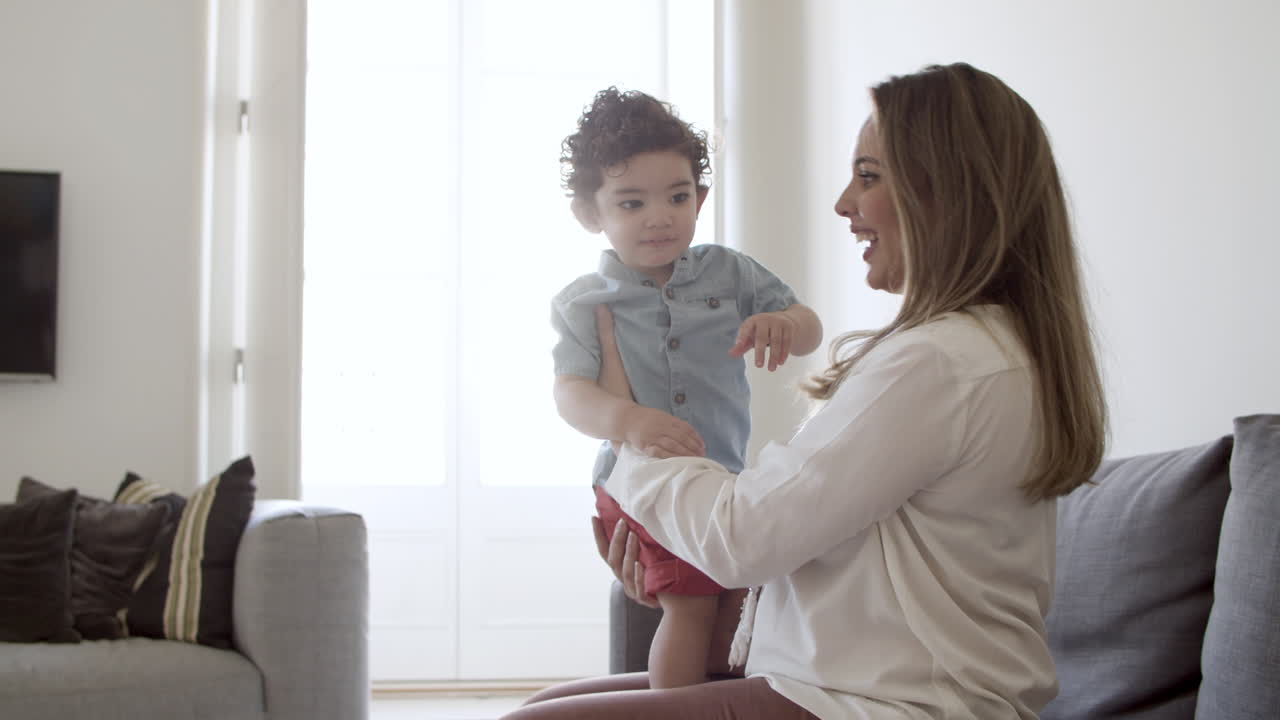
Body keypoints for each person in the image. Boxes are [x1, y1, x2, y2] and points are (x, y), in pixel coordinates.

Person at [508, 62, 1108, 719]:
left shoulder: (938, 365)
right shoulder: (969, 351)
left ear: (945, 192)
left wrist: (630, 446)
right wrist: (682, 570)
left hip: (893, 702)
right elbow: (842, 556)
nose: (844, 203)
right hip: (859, 677)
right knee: (548, 703)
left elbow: (745, 537)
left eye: (869, 176)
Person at [549, 86, 824, 690]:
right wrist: (627, 421)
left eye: (677, 196)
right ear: (590, 214)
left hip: (718, 478)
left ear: (700, 198)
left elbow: (808, 327)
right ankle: (673, 706)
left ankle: (713, 698)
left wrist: (786, 325)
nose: (659, 215)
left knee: (732, 607)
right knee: (693, 605)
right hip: (636, 480)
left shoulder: (730, 272)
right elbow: (570, 392)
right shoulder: (584, 301)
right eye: (631, 202)